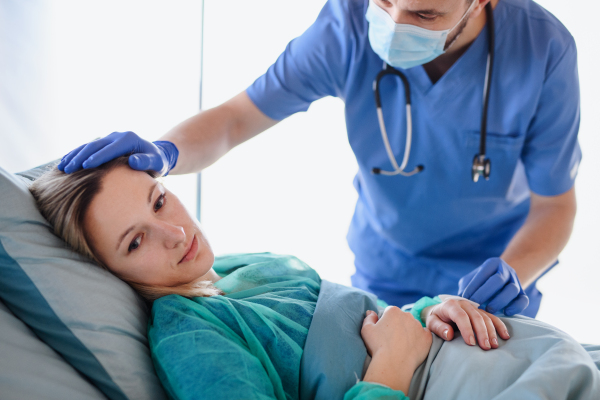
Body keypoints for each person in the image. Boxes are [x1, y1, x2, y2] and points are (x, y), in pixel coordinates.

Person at [56, 0, 581, 318]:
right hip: (386, 271)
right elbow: (237, 118)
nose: (395, 23)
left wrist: (514, 274)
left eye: (424, 13)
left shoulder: (543, 49)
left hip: (497, 275)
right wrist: (165, 154)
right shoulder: (347, 27)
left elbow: (555, 205)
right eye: (384, 2)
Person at [28, 159, 599, 400]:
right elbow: (385, 351)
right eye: (134, 241)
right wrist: (393, 368)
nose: (174, 234)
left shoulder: (234, 271)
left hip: (512, 355)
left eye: (159, 200)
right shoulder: (191, 341)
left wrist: (437, 310)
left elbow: (373, 320)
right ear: (106, 272)